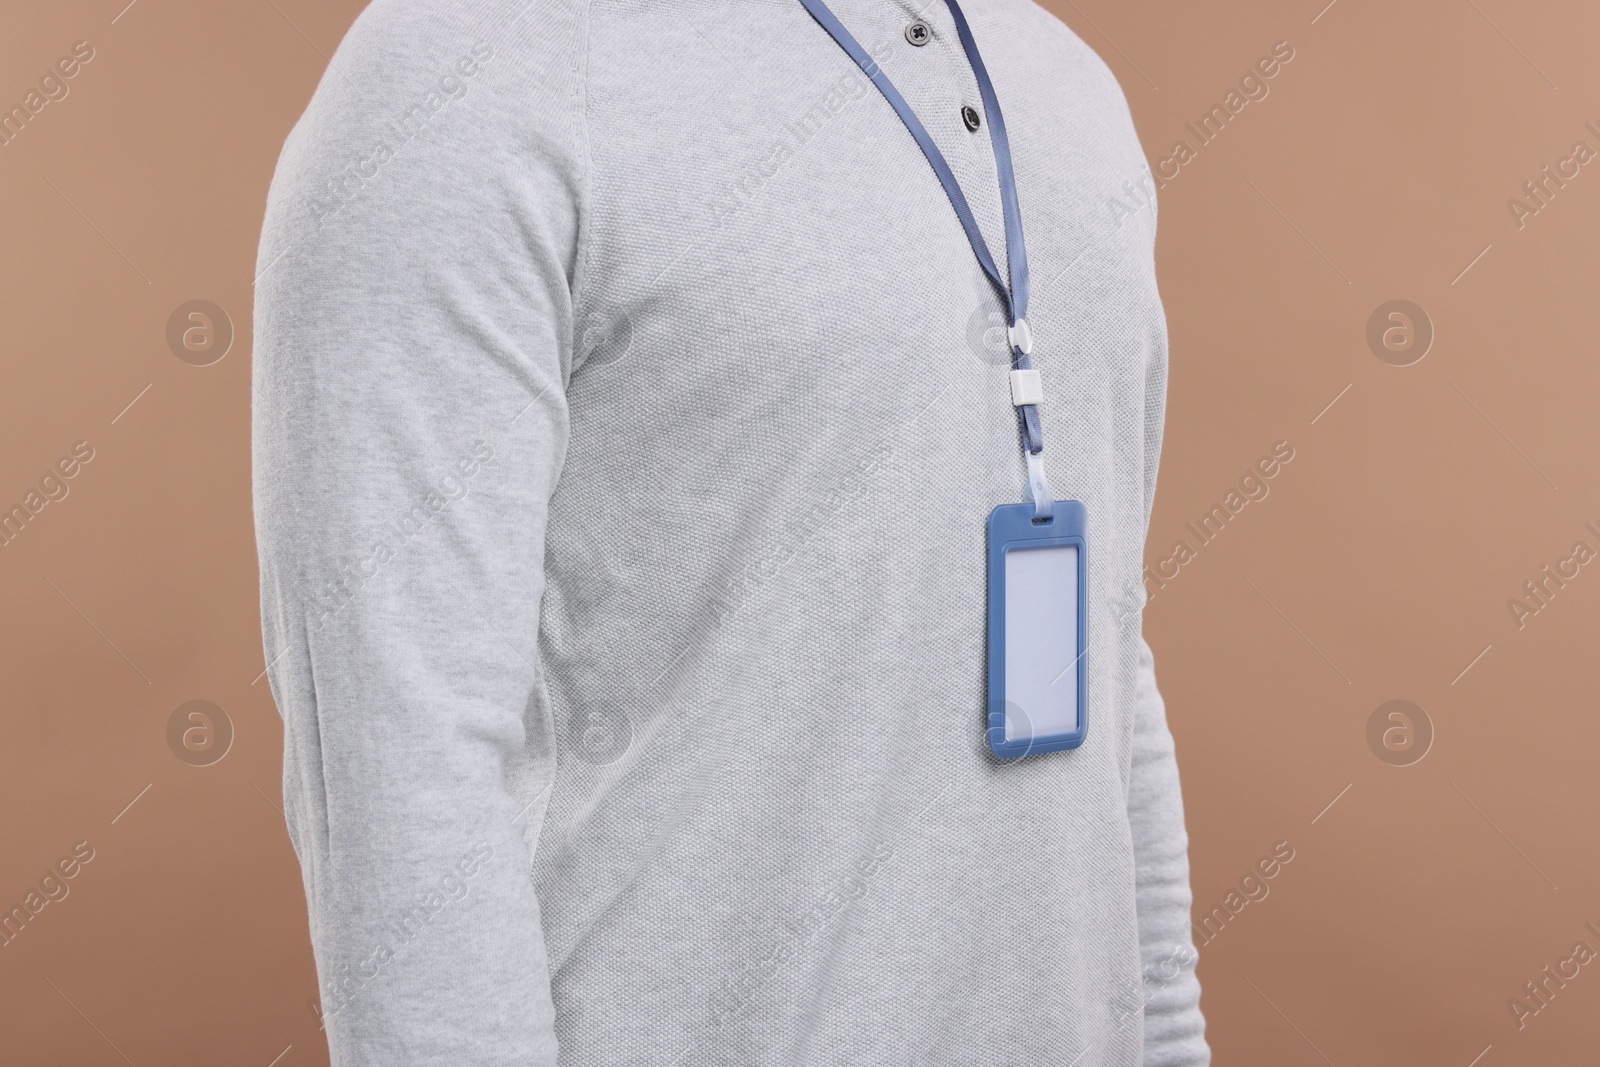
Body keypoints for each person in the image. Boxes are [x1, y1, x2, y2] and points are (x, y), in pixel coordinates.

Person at [252, 0, 1208, 1063]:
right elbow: (401, 756)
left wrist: (1167, 1039)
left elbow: (1107, 648)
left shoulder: (1063, 81)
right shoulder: (468, 71)